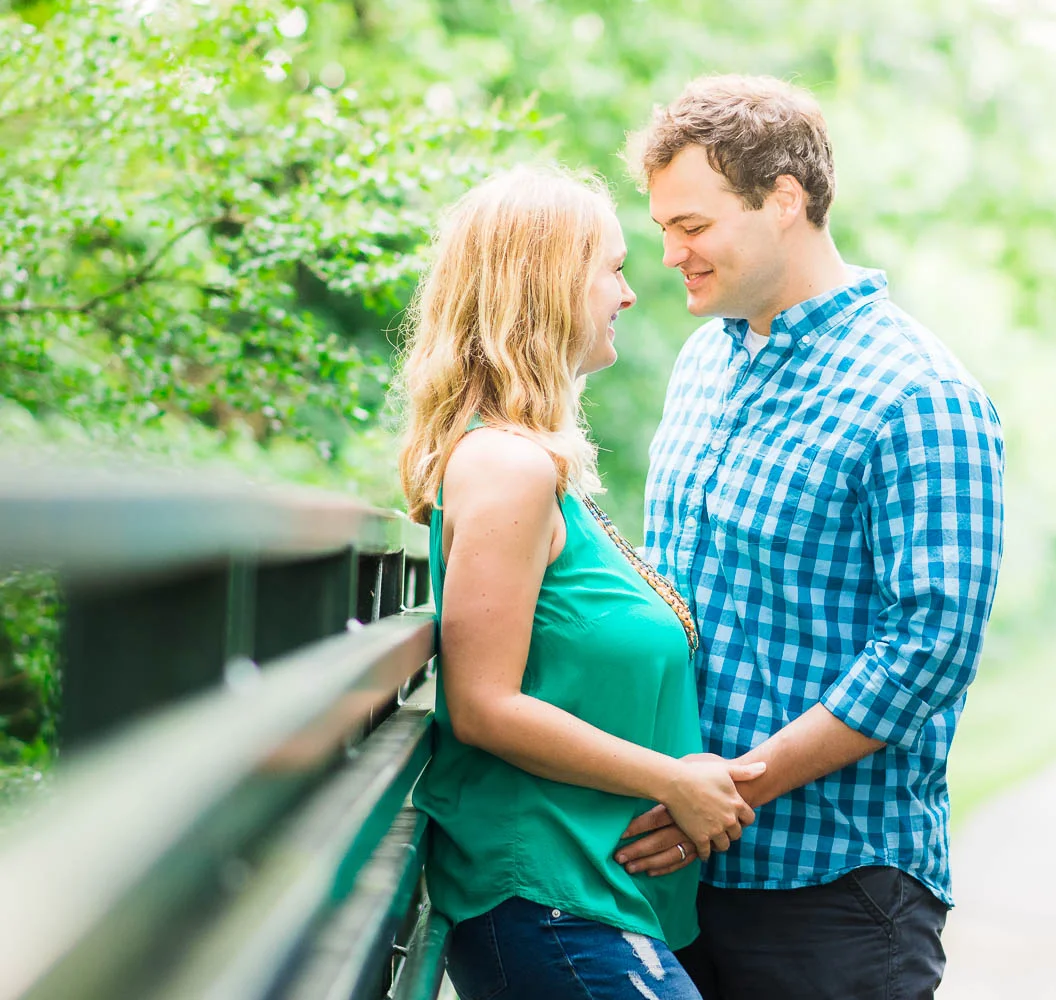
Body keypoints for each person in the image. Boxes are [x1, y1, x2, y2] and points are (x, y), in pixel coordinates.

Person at [612, 76, 1006, 1000]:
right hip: (680, 880)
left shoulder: (920, 395)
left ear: (784, 199)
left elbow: (929, 649)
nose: (670, 254)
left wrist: (733, 789)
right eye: (664, 227)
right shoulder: (705, 359)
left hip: (832, 891)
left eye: (694, 226)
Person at [397, 166, 764, 1000]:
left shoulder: (543, 467)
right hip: (547, 899)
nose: (630, 294)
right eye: (614, 267)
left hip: (593, 901)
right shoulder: (506, 465)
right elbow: (485, 704)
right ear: (547, 283)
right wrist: (671, 779)